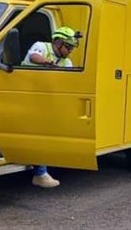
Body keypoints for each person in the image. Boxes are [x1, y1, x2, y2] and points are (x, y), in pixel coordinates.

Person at [21, 26, 80, 188]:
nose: (70, 51)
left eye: (72, 48)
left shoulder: (67, 62)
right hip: (23, 96)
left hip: (44, 102)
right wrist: (48, 63)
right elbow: (33, 57)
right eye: (68, 47)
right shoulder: (41, 46)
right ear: (57, 42)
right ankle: (40, 174)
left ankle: (43, 170)